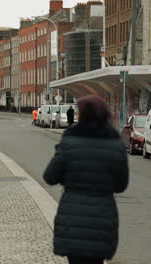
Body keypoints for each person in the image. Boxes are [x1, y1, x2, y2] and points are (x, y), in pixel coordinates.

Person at [43, 95, 129, 264]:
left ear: (82, 115)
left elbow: (50, 177)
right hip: (102, 221)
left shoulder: (69, 141)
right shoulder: (116, 144)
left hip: (72, 220)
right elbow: (120, 185)